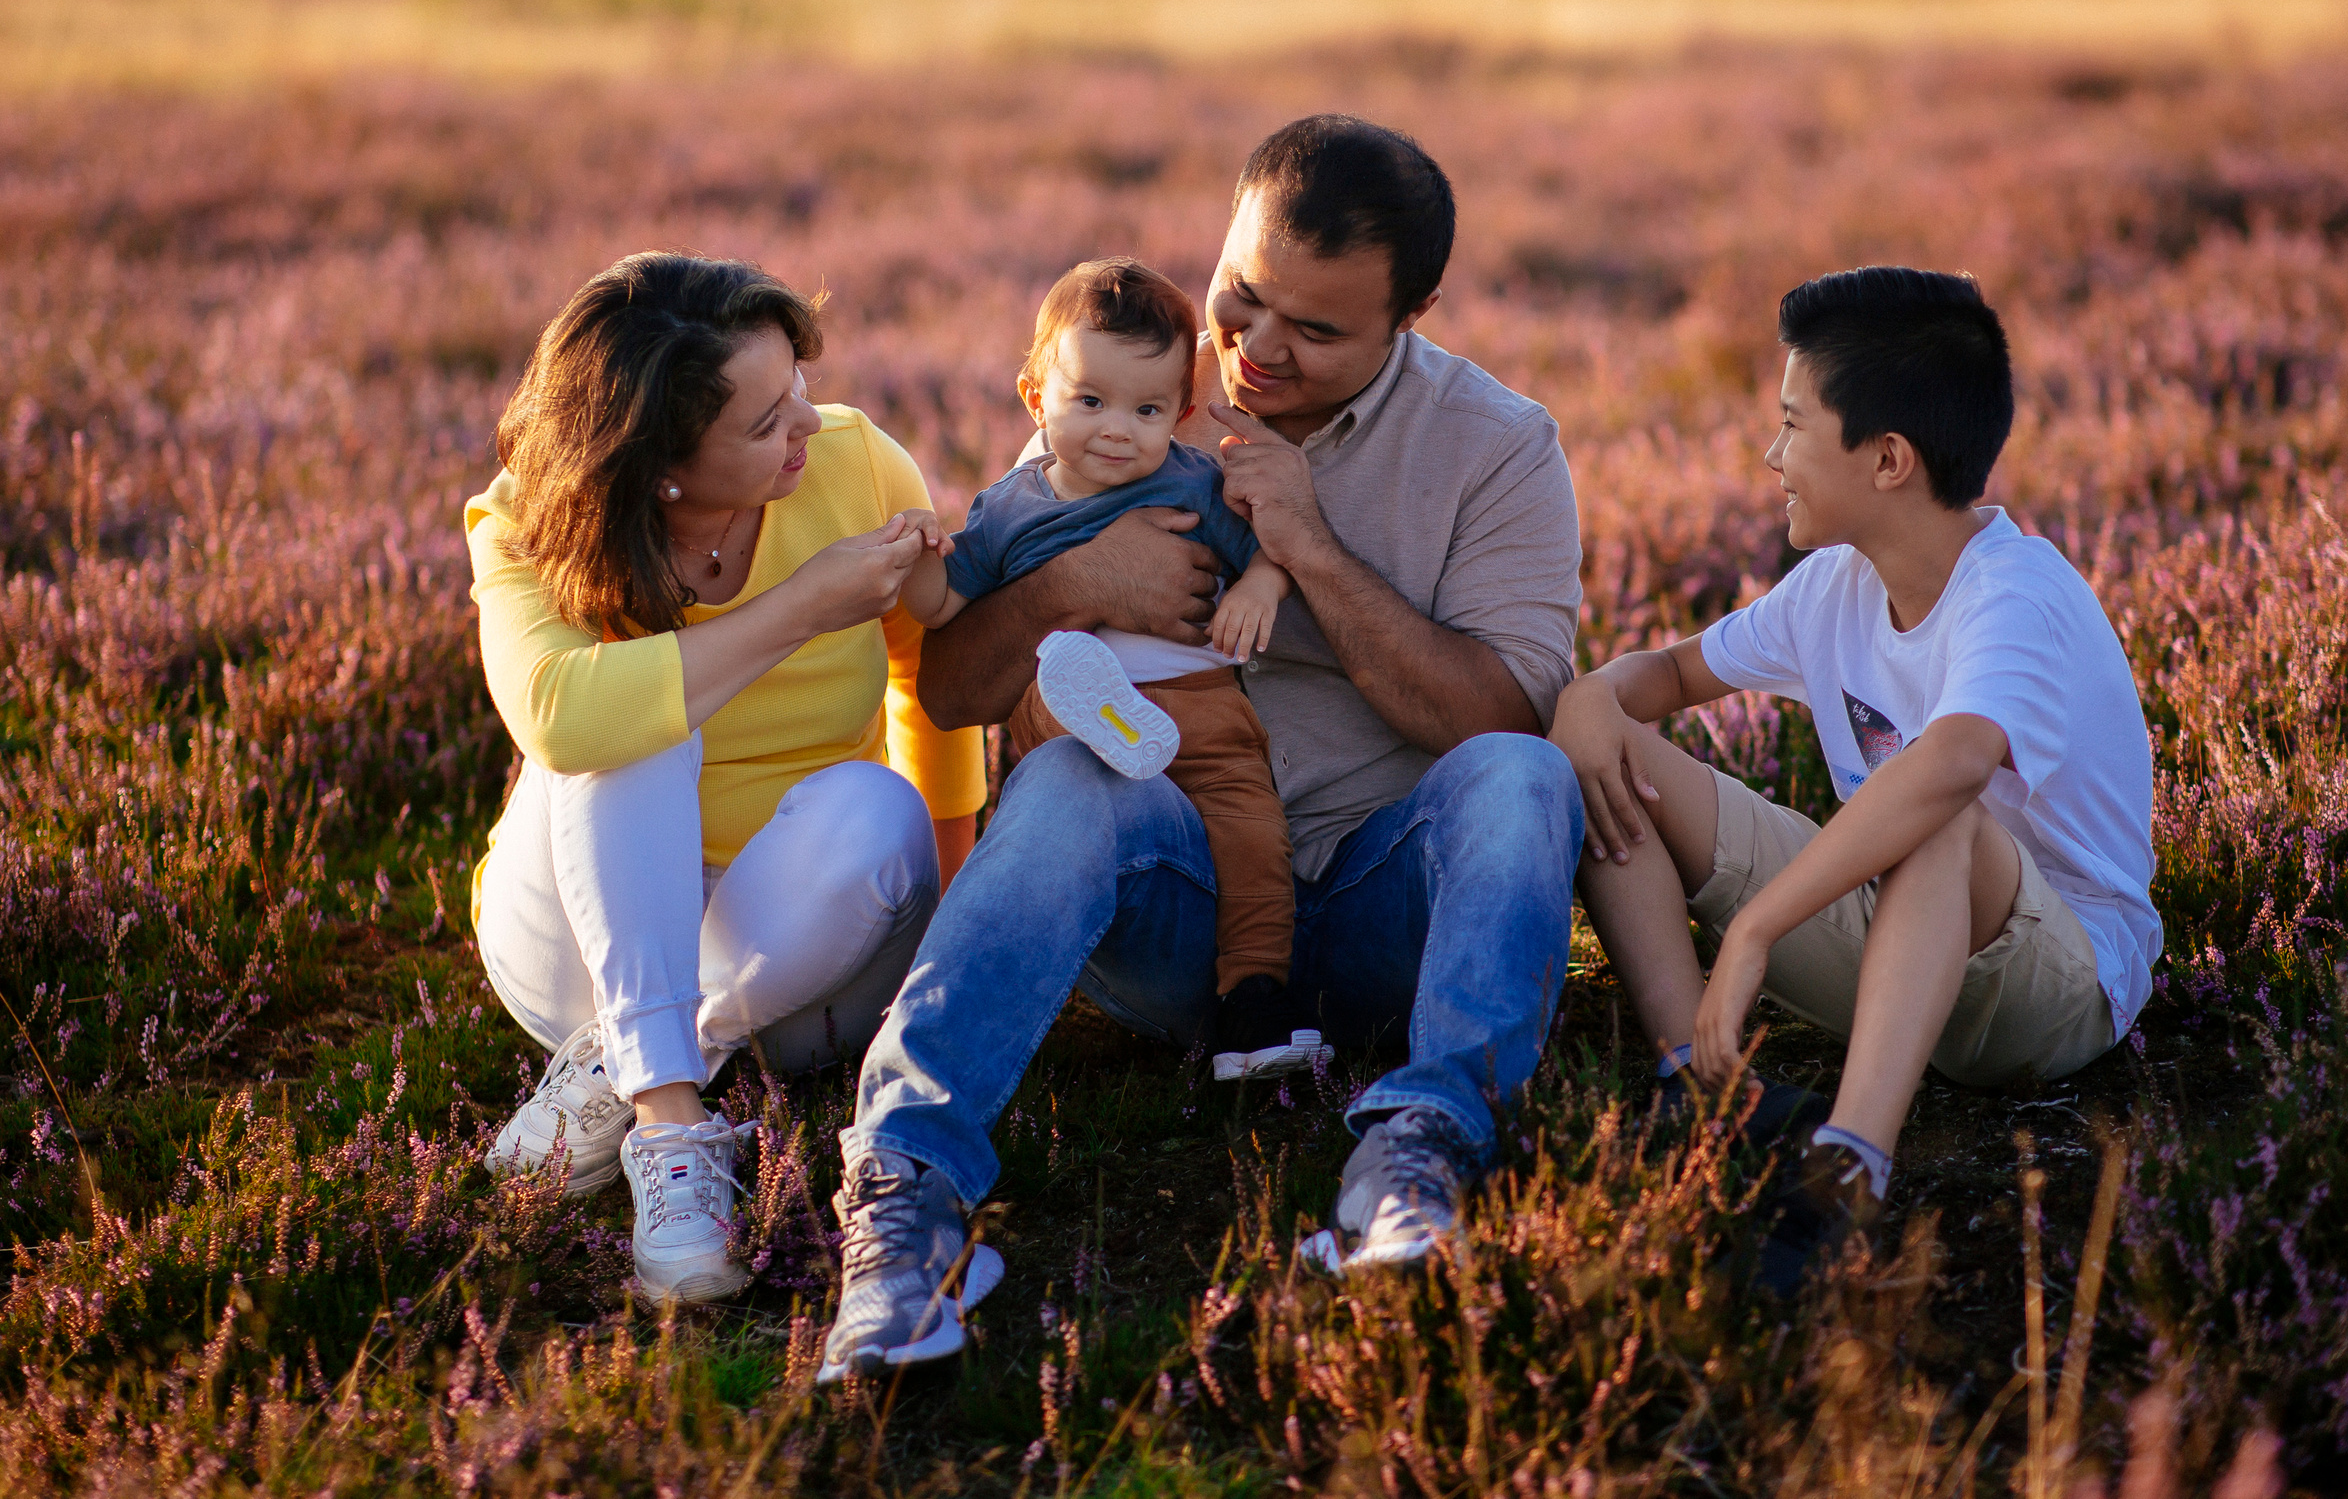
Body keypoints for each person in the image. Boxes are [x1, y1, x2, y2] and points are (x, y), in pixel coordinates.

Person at [814, 115, 1587, 1381]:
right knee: (1068, 773)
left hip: (1382, 904)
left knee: (1525, 774)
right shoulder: (1132, 391)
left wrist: (1309, 547)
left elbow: (1495, 718)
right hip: (1178, 899)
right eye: (1243, 294)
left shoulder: (1497, 445)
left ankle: (1422, 1153)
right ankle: (904, 1193)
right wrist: (1072, 584)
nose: (1256, 348)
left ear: (1413, 314)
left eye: (1315, 328)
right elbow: (951, 691)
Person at [1553, 266, 2157, 1294]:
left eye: (1792, 424)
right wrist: (1587, 699)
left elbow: (1954, 763)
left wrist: (1754, 929)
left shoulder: (2016, 595)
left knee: (1935, 809)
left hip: (2053, 985)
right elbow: (1669, 674)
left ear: (1886, 458)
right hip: (1899, 948)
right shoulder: (1833, 585)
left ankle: (1848, 1171)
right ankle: (1697, 1083)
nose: (1770, 454)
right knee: (1608, 750)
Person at [466, 253, 985, 1305]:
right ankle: (669, 1124)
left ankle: (621, 1063)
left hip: (797, 950)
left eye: (797, 382)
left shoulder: (854, 463)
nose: (809, 422)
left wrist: (952, 897)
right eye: (763, 422)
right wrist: (801, 607)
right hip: (571, 943)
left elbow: (924, 677)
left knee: (878, 805)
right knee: (631, 721)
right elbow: (562, 715)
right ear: (658, 465)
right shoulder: (533, 517)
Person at [890, 256, 1322, 1082]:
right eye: (1090, 401)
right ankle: (1097, 713)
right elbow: (944, 605)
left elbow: (1272, 550)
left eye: (1147, 409)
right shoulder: (1012, 506)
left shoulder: (1196, 484)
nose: (1118, 429)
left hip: (1199, 705)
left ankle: (1257, 994)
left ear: (1181, 414)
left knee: (1253, 833)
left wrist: (1258, 587)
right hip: (1068, 712)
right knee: (1058, 703)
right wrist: (916, 558)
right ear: (1036, 399)